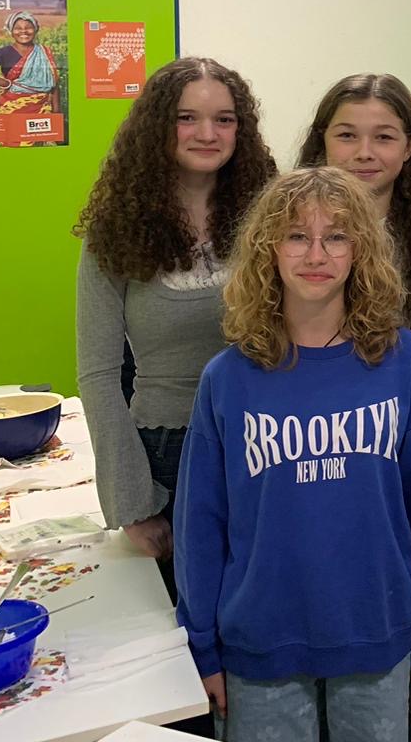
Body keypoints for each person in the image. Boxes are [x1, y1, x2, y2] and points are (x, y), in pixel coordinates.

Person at [174, 166, 411, 742]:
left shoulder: (401, 360)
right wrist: (199, 643)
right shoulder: (228, 378)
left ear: (362, 250)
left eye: (336, 236)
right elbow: (200, 525)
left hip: (375, 626)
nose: (316, 254)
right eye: (297, 236)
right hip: (260, 638)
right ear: (268, 250)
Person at [75, 57, 276, 599]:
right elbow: (98, 374)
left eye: (225, 119)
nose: (208, 134)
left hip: (266, 440)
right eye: (187, 118)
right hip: (170, 455)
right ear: (158, 126)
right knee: (188, 618)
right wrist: (132, 503)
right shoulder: (114, 233)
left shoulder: (270, 217)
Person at [299, 74, 411, 472]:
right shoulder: (289, 234)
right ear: (322, 140)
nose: (364, 153)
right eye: (347, 136)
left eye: (383, 137)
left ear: (409, 147)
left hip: (410, 459)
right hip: (308, 457)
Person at [0, 9, 61, 114]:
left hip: (43, 109)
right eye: (18, 28)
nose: (23, 31)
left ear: (36, 29)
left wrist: (57, 112)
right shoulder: (5, 53)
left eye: (29, 28)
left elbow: (53, 84)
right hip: (13, 107)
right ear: (10, 31)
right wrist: (5, 83)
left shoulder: (44, 51)